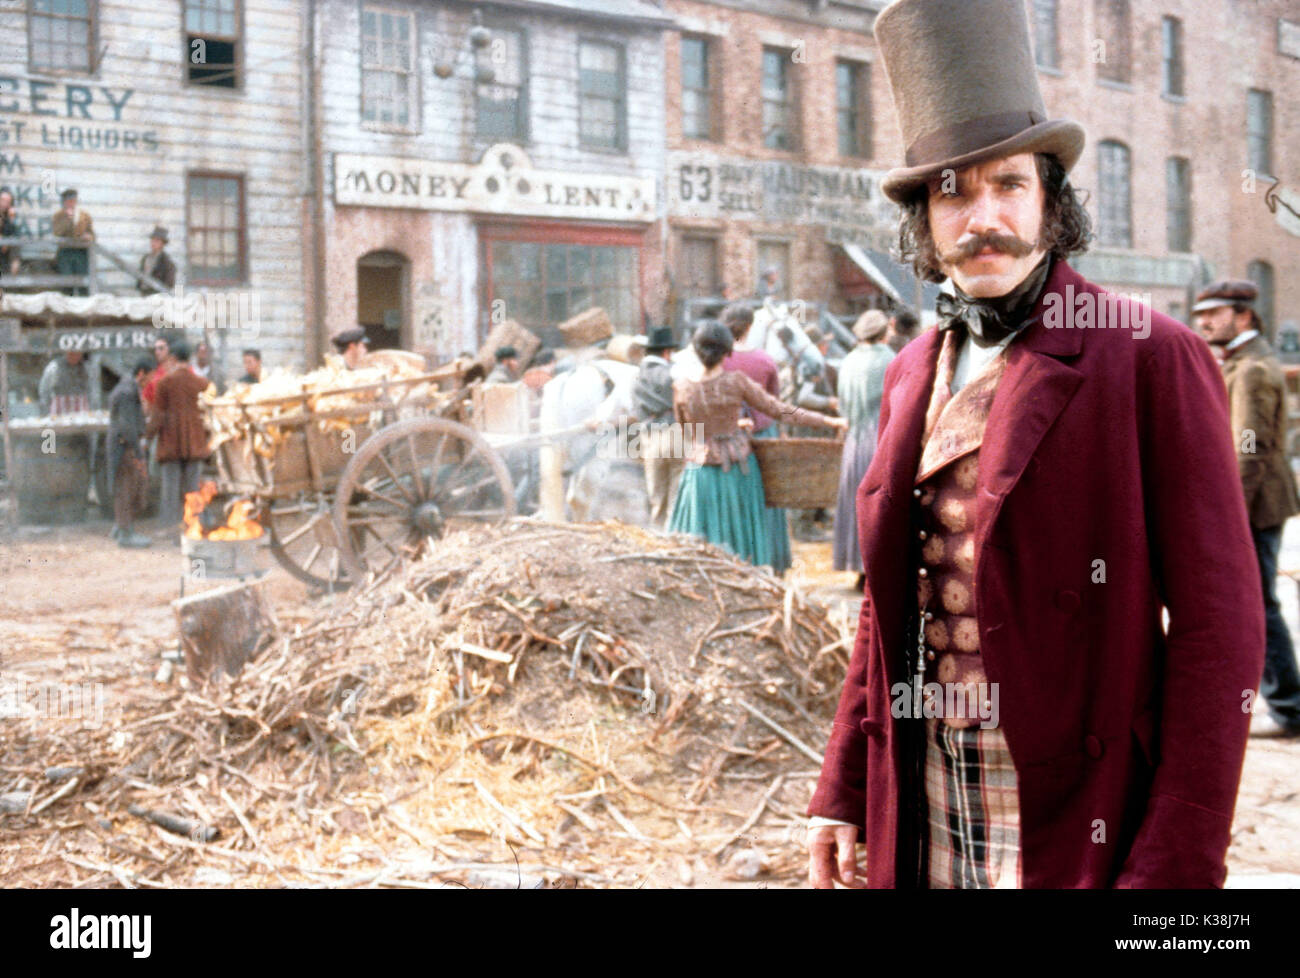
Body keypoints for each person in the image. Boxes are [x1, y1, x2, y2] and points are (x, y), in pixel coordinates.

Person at [807, 0, 1262, 890]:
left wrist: (1174, 866)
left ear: (1052, 201)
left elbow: (1222, 630)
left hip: (1072, 803)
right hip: (925, 782)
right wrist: (844, 787)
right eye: (953, 190)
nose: (983, 216)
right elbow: (884, 606)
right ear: (924, 223)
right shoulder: (908, 371)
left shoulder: (1148, 356)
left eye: (1008, 184)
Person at [1194, 279, 1300, 737]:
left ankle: (1290, 707)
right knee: (1255, 604)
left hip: (1253, 509)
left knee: (1258, 607)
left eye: (1214, 314)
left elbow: (1248, 449)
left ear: (1244, 316)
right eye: (1201, 316)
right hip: (1254, 506)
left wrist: (1227, 517)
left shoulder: (1252, 368)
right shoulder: (1241, 361)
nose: (1204, 323)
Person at [668, 321, 845, 568]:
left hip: (700, 472)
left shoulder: (682, 387)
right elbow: (779, 410)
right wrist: (828, 420)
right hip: (736, 469)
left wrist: (718, 429)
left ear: (696, 351)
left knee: (699, 539)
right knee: (738, 536)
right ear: (728, 351)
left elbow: (688, 430)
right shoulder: (736, 382)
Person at [721, 301, 793, 574]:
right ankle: (773, 561)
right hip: (765, 434)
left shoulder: (720, 360)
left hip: (730, 438)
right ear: (750, 327)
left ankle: (739, 559)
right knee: (770, 498)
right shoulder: (764, 360)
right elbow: (775, 403)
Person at [832, 310, 895, 587]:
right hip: (880, 438)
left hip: (854, 440)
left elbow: (843, 403)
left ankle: (856, 567)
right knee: (879, 502)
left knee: (854, 501)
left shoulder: (848, 360)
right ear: (883, 332)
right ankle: (875, 568)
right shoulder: (888, 359)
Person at [146, 341, 211, 530]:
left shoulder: (164, 383)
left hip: (171, 444)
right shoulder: (201, 383)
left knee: (170, 491)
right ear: (189, 358)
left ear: (173, 358)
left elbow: (157, 416)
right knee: (193, 489)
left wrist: (147, 438)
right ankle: (195, 526)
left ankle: (169, 528)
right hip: (195, 444)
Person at [107, 360, 153, 548]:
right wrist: (137, 450)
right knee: (126, 490)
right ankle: (126, 533)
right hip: (124, 447)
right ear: (141, 373)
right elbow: (127, 426)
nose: (148, 382)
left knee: (124, 488)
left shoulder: (126, 389)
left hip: (122, 445)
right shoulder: (127, 393)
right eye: (148, 377)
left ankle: (121, 527)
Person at [52, 189, 94, 296]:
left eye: (73, 200)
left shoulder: (85, 215)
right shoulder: (58, 216)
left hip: (81, 253)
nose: (71, 203)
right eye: (68, 201)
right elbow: (57, 232)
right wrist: (68, 219)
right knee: (67, 284)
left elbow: (92, 234)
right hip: (65, 253)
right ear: (64, 202)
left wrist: (89, 237)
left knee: (83, 284)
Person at [38, 350, 100, 416]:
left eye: (77, 353)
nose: (75, 356)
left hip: (81, 411)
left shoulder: (87, 368)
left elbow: (93, 391)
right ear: (66, 352)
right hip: (59, 411)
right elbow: (44, 390)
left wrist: (93, 409)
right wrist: (46, 410)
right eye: (71, 353)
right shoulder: (54, 367)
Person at [138, 226, 177, 294]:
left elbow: (169, 284)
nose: (153, 243)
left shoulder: (166, 262)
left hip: (157, 297)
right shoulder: (145, 258)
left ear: (162, 244)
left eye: (157, 241)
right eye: (152, 240)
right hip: (144, 294)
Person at [141, 336, 174, 411]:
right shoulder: (153, 375)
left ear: (170, 350)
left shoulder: (180, 370)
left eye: (161, 348)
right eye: (155, 349)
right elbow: (146, 402)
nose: (157, 352)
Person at [0, 187, 20, 277]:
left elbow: (13, 233)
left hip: (4, 252)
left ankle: (13, 274)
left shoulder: (8, 216)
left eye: (8, 202)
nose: (4, 204)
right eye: (2, 200)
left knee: (14, 244)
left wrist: (11, 220)